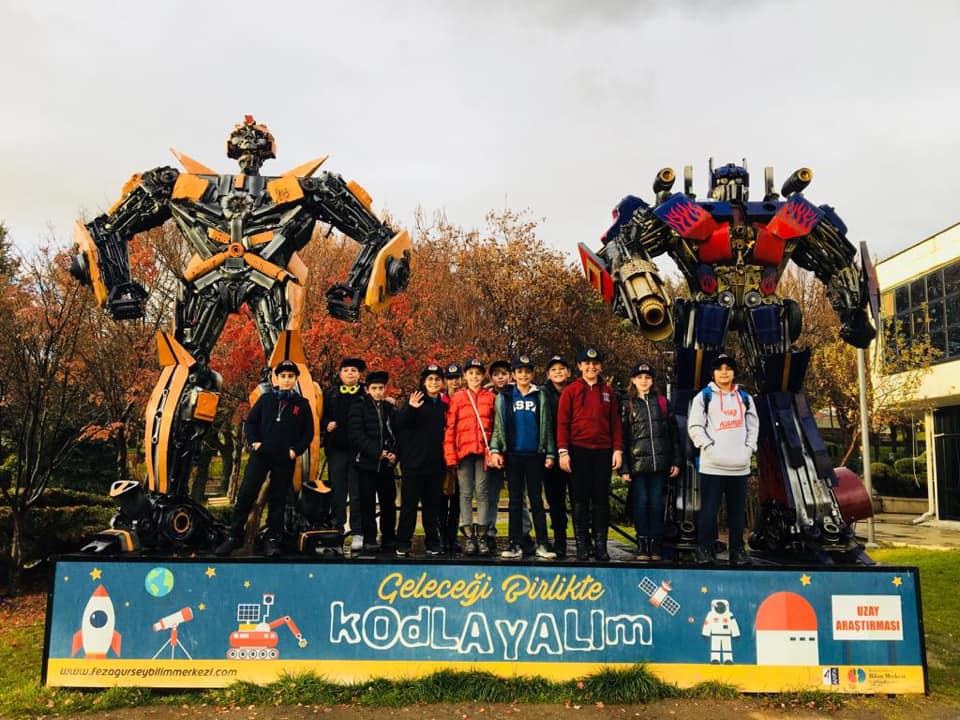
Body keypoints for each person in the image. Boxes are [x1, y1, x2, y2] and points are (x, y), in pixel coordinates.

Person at [215, 360, 314, 557]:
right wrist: (255, 442)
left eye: (290, 376)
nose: (286, 380)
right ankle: (234, 536)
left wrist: (295, 450)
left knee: (278, 499)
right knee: (246, 494)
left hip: (284, 457)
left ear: (296, 379)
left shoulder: (302, 404)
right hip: (261, 454)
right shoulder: (266, 399)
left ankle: (272, 539)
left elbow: (308, 433)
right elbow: (251, 422)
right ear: (276, 378)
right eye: (283, 376)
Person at [687, 354, 758, 566]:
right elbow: (695, 426)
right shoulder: (704, 397)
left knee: (737, 514)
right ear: (713, 373)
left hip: (739, 467)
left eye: (728, 368)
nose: (724, 372)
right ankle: (705, 550)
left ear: (734, 372)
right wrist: (708, 448)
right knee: (708, 512)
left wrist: (749, 449)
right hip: (712, 467)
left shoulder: (745, 398)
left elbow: (753, 426)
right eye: (719, 369)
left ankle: (737, 550)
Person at [557, 347, 623, 561]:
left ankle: (600, 545)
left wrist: (617, 449)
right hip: (578, 450)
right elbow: (562, 423)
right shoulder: (571, 391)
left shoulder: (608, 392)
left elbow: (615, 423)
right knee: (580, 499)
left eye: (595, 364)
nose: (591, 367)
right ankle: (582, 544)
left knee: (601, 499)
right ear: (579, 366)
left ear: (600, 367)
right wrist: (563, 452)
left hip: (603, 451)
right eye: (587, 363)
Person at [489, 355, 557, 560]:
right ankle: (514, 543)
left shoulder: (540, 395)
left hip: (535, 455)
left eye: (527, 371)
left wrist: (550, 452)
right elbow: (498, 426)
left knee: (537, 501)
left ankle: (542, 543)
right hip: (513, 455)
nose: (524, 375)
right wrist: (495, 450)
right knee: (515, 502)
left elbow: (547, 425)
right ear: (514, 375)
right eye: (520, 371)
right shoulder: (505, 397)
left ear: (532, 374)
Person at [620, 361, 681, 561]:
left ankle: (655, 544)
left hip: (659, 464)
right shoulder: (627, 405)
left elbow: (673, 434)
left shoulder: (662, 403)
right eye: (639, 377)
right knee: (641, 504)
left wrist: (676, 461)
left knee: (656, 504)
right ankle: (642, 543)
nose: (643, 381)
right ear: (633, 380)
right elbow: (623, 438)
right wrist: (625, 467)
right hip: (638, 465)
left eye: (647, 377)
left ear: (653, 380)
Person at [443, 358, 496, 556]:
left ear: (483, 376)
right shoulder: (458, 398)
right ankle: (468, 538)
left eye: (478, 373)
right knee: (465, 494)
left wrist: (495, 451)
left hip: (483, 452)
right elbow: (450, 428)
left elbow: (496, 427)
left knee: (482, 493)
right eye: (471, 373)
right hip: (463, 452)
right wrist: (450, 456)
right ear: (465, 376)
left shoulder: (490, 397)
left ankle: (481, 536)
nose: (474, 377)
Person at [395, 364, 448, 557]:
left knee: (432, 508)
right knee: (409, 506)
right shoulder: (415, 400)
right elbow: (398, 424)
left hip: (435, 464)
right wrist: (410, 408)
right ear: (424, 382)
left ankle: (432, 542)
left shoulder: (444, 405)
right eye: (430, 379)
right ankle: (403, 542)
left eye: (437, 379)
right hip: (413, 464)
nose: (433, 382)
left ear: (442, 382)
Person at [348, 370, 398, 553]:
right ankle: (370, 537)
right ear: (367, 389)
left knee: (388, 502)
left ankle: (389, 537)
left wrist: (394, 453)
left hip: (386, 465)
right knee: (367, 503)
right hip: (366, 463)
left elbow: (396, 433)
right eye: (374, 388)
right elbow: (356, 435)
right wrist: (376, 452)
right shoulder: (358, 407)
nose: (378, 392)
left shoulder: (389, 408)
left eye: (381, 388)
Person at [321, 357, 367, 551]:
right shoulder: (330, 394)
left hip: (358, 452)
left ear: (359, 374)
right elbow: (320, 416)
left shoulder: (366, 393)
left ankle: (357, 532)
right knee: (337, 493)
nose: (350, 373)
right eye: (346, 370)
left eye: (354, 370)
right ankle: (336, 532)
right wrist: (326, 424)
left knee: (357, 494)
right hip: (337, 450)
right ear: (340, 374)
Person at [542, 354, 571, 557]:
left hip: (575, 451)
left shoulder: (576, 391)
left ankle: (585, 540)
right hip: (551, 454)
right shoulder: (542, 394)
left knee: (580, 499)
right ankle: (560, 540)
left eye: (561, 368)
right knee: (555, 499)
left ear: (568, 372)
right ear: (548, 374)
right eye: (554, 369)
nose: (558, 372)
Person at [484, 359, 512, 544]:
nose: (500, 377)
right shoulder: (487, 396)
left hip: (514, 449)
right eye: (496, 374)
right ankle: (489, 531)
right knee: (491, 494)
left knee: (518, 495)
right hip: (493, 450)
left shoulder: (518, 394)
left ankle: (522, 531)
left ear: (510, 376)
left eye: (503, 374)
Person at [439, 362, 464, 554]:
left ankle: (452, 537)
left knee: (457, 499)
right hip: (441, 454)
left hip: (461, 453)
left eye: (456, 378)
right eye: (450, 378)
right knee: (440, 498)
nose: (454, 382)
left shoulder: (465, 398)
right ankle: (442, 536)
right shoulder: (440, 400)